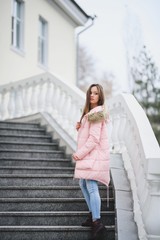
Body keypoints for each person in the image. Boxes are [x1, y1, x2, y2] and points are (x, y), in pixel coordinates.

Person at [72, 83, 110, 239]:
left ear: (100, 96)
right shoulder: (90, 114)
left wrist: (79, 154)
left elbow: (94, 139)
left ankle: (97, 222)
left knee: (91, 186)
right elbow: (89, 134)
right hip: (91, 155)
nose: (92, 95)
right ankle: (92, 215)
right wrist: (80, 128)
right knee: (83, 183)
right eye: (90, 93)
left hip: (93, 155)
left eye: (95, 93)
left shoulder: (96, 114)